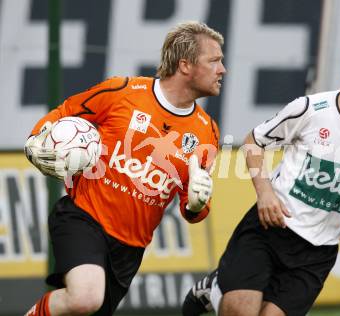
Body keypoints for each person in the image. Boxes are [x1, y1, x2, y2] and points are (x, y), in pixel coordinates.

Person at [182, 39, 340, 316]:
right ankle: (216, 289)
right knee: (241, 311)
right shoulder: (311, 109)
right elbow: (253, 141)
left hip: (318, 251)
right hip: (271, 229)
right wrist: (265, 193)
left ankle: (217, 288)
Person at [24, 21, 226, 315]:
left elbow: (192, 208)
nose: (222, 70)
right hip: (83, 218)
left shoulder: (208, 133)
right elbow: (65, 111)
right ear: (185, 65)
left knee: (86, 307)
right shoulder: (123, 91)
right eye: (215, 61)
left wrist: (197, 204)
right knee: (85, 298)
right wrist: (37, 139)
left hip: (130, 250)